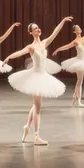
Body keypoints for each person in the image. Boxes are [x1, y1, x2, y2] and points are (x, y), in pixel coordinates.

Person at [5, 17, 72, 145]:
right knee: (38, 107)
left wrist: (62, 21)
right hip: (35, 76)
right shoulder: (31, 47)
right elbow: (20, 52)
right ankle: (36, 136)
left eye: (38, 27)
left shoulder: (44, 43)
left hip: (43, 75)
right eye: (35, 28)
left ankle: (27, 127)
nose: (38, 29)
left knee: (36, 106)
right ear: (31, 32)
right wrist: (9, 56)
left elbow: (55, 33)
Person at [53, 18, 84, 107]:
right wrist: (58, 50)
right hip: (78, 61)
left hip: (83, 61)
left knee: (80, 81)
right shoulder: (75, 41)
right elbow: (67, 47)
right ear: (74, 32)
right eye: (77, 28)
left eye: (79, 27)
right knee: (79, 81)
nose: (79, 28)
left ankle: (75, 97)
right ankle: (78, 101)